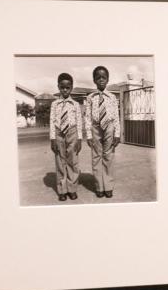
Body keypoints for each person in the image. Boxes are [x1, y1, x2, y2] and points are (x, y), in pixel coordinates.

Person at [83, 65, 121, 198]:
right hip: (95, 127)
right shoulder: (90, 97)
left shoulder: (112, 97)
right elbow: (87, 117)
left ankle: (108, 186)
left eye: (103, 77)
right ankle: (99, 186)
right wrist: (88, 134)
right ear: (94, 80)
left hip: (109, 126)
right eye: (98, 77)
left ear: (108, 79)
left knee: (108, 156)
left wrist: (117, 134)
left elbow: (116, 116)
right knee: (96, 156)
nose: (101, 80)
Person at [48, 72, 82, 201]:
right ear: (58, 87)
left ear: (71, 87)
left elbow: (79, 122)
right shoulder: (55, 104)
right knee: (60, 161)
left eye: (68, 87)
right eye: (62, 87)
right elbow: (52, 121)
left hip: (72, 132)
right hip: (58, 132)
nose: (65, 90)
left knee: (72, 161)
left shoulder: (75, 104)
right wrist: (52, 139)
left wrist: (79, 139)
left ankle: (72, 189)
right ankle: (62, 190)